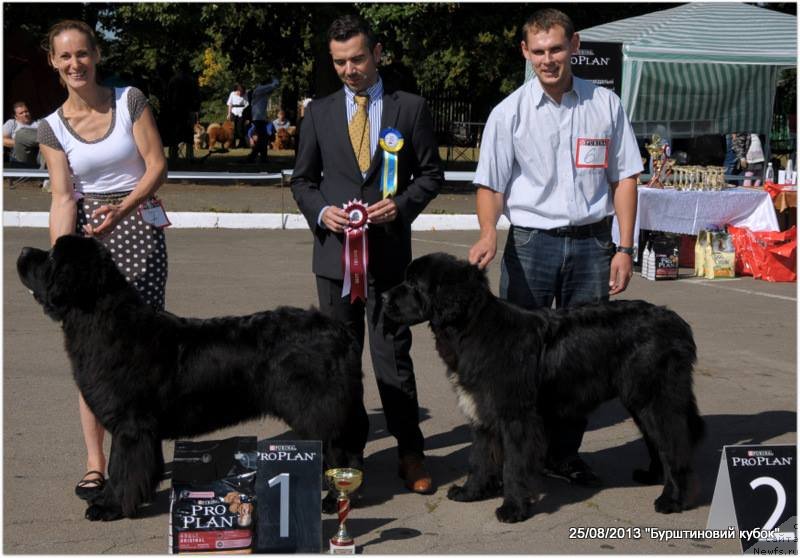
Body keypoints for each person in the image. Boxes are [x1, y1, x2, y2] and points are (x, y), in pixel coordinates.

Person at [468, 8, 642, 486]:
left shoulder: (605, 104)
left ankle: (563, 455)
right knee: (516, 364)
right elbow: (491, 185)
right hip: (530, 246)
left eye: (556, 49)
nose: (548, 59)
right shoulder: (508, 113)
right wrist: (488, 231)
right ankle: (513, 457)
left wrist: (624, 247)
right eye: (538, 51)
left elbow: (625, 177)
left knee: (581, 363)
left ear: (575, 46)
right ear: (525, 52)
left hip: (591, 248)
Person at [291, 15, 443, 495]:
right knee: (336, 362)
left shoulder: (411, 108)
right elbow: (302, 180)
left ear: (377, 53)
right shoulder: (317, 111)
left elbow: (432, 176)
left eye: (357, 58)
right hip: (334, 260)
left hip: (390, 261)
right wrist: (322, 213)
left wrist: (398, 206)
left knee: (392, 358)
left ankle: (410, 452)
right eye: (339, 62)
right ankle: (344, 455)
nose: (349, 70)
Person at [36, 20, 168, 503]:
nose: (75, 64)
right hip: (90, 241)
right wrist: (61, 261)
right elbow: (63, 196)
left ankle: (134, 459)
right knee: (93, 357)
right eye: (64, 57)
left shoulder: (130, 99)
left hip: (138, 229)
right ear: (53, 62)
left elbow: (156, 165)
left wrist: (124, 209)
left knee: (141, 355)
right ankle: (96, 465)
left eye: (82, 54)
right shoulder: (50, 127)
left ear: (96, 55)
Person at [245, 77, 279, 164]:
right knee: (262, 139)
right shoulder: (260, 89)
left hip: (260, 117)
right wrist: (275, 79)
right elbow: (274, 86)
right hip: (258, 117)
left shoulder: (260, 90)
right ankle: (253, 157)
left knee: (263, 139)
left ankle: (261, 158)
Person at [3, 101, 41, 165]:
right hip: (21, 156)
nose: (25, 114)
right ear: (16, 116)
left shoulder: (38, 124)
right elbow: (2, 140)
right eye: (21, 113)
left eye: (26, 111)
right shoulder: (12, 123)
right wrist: (22, 143)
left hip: (38, 154)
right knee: (21, 134)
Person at [226, 83, 249, 148]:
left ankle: (242, 143)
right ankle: (232, 144)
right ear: (238, 91)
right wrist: (229, 113)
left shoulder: (245, 95)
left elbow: (246, 104)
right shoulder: (232, 94)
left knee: (240, 129)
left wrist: (244, 113)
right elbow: (230, 104)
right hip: (233, 112)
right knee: (232, 129)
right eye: (240, 92)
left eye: (242, 92)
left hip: (241, 113)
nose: (240, 94)